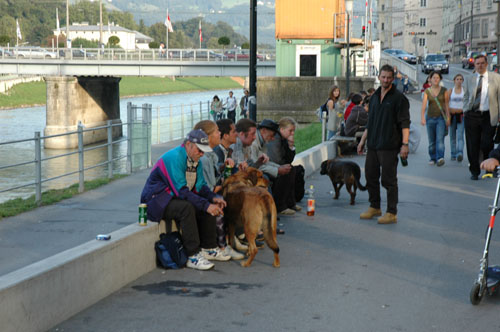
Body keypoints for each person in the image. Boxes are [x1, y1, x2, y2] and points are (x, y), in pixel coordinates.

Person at [140, 129, 230, 270]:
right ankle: (192, 255)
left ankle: (208, 247)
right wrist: (206, 205)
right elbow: (181, 191)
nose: (201, 154)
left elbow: (200, 187)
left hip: (173, 196)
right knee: (187, 208)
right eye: (199, 150)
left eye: (203, 151)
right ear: (188, 144)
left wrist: (214, 197)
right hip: (156, 201)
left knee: (207, 203)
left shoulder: (196, 160)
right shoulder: (174, 158)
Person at [357, 64, 410, 225]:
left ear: (392, 79)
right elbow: (370, 122)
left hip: (389, 145)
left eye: (388, 77)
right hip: (373, 144)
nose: (385, 80)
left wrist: (405, 144)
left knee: (388, 180)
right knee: (371, 176)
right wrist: (362, 141)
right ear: (379, 77)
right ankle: (375, 207)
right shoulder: (374, 97)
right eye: (383, 77)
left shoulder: (399, 98)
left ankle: (391, 212)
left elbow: (405, 123)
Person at [195, 120, 244, 260]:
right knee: (227, 198)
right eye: (216, 131)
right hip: (202, 196)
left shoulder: (210, 154)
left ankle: (231, 238)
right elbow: (210, 188)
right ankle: (223, 245)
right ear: (207, 137)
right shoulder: (204, 158)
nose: (219, 134)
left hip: (206, 191)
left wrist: (223, 168)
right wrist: (227, 183)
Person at [463, 54, 500, 180]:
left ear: (486, 64)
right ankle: (474, 170)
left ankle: (488, 167)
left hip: (488, 116)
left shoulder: (496, 78)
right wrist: (465, 110)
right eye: (477, 63)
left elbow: (499, 98)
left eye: (482, 63)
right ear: (474, 65)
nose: (480, 66)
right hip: (472, 115)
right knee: (472, 144)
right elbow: (466, 96)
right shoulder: (469, 79)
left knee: (486, 142)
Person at [266, 117, 301, 215]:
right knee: (286, 171)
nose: (292, 133)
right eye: (290, 131)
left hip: (275, 165)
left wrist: (290, 146)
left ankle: (290, 203)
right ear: (282, 129)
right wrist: (284, 165)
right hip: (270, 166)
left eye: (293, 131)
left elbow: (288, 160)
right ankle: (280, 206)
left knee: (292, 169)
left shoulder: (283, 139)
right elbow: (276, 159)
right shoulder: (275, 139)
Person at [420, 71, 450, 167]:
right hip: (430, 118)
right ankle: (432, 157)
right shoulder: (427, 91)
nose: (436, 79)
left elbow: (446, 105)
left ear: (440, 79)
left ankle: (440, 157)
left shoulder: (444, 90)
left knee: (440, 139)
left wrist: (448, 117)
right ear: (430, 79)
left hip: (440, 118)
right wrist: (422, 118)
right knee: (431, 140)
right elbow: (424, 106)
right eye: (434, 78)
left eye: (437, 78)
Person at [446, 74, 465, 162]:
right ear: (454, 80)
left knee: (460, 135)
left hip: (461, 115)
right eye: (457, 79)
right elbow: (446, 103)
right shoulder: (450, 91)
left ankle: (460, 153)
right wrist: (448, 117)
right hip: (452, 115)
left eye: (461, 79)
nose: (459, 81)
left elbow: (467, 102)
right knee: (452, 136)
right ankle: (453, 153)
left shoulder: (464, 91)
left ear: (462, 81)